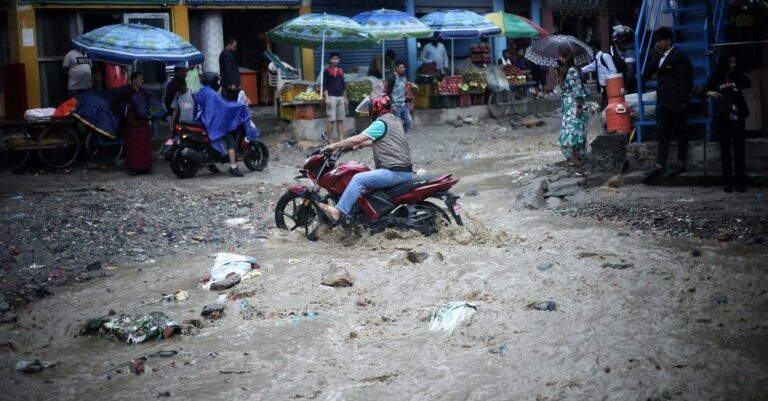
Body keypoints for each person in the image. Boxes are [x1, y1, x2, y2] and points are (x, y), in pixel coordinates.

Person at [317, 95, 412, 224]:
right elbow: (385, 141)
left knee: (358, 178)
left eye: (370, 107)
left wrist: (334, 145)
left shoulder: (380, 123)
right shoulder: (394, 121)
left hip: (395, 172)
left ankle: (338, 212)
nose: (368, 111)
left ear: (376, 107)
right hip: (402, 171)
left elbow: (358, 138)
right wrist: (363, 145)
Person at [641, 27, 694, 182]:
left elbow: (686, 80)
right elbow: (648, 73)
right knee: (662, 133)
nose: (657, 44)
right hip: (663, 101)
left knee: (681, 132)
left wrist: (682, 100)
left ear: (668, 41)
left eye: (660, 41)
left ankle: (681, 162)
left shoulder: (679, 56)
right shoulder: (659, 57)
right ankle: (660, 165)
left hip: (676, 101)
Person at [194, 72, 259, 177]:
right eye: (217, 81)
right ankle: (233, 166)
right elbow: (223, 107)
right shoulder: (212, 94)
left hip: (202, 121)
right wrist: (239, 107)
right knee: (230, 140)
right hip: (212, 123)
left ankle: (212, 163)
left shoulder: (202, 92)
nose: (218, 84)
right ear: (213, 82)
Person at [704, 52, 751, 192]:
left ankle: (740, 182)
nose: (733, 65)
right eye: (730, 62)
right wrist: (711, 92)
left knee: (739, 150)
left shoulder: (738, 73)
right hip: (723, 116)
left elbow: (748, 83)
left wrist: (734, 84)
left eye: (734, 62)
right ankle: (727, 182)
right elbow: (702, 91)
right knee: (725, 151)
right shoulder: (717, 75)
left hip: (737, 115)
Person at [113, 72, 152, 175]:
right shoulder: (127, 91)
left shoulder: (143, 91)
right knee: (134, 145)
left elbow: (147, 103)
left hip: (142, 120)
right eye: (140, 79)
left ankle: (145, 167)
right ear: (134, 80)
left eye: (142, 79)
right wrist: (125, 111)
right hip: (133, 121)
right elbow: (115, 102)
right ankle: (134, 167)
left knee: (145, 144)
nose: (142, 81)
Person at [557, 45, 590, 166]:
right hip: (568, 107)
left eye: (559, 56)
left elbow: (577, 89)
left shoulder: (572, 71)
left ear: (564, 57)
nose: (558, 59)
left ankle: (576, 157)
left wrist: (579, 106)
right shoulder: (563, 70)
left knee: (574, 132)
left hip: (575, 106)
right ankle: (572, 157)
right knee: (568, 132)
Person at [581, 39, 617, 111]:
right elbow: (591, 67)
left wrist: (610, 84)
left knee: (606, 106)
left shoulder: (605, 56)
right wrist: (580, 70)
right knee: (604, 106)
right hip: (604, 87)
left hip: (609, 86)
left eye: (590, 49)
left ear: (594, 48)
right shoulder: (597, 60)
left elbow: (613, 70)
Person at [323, 53, 348, 142]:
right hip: (331, 97)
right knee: (331, 120)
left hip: (340, 97)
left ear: (339, 60)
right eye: (333, 58)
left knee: (340, 119)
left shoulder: (341, 70)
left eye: (336, 58)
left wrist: (345, 98)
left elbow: (343, 85)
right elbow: (324, 85)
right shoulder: (327, 70)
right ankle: (329, 139)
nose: (335, 60)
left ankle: (341, 138)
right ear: (330, 60)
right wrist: (327, 98)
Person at [385, 60, 413, 133]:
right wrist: (392, 104)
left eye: (404, 68)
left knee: (408, 121)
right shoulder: (392, 77)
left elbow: (405, 91)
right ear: (396, 68)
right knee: (397, 125)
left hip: (403, 105)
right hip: (396, 106)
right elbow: (388, 92)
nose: (403, 69)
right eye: (401, 68)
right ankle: (397, 138)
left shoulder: (404, 77)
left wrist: (408, 102)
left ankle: (401, 136)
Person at [219, 37, 240, 101]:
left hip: (230, 85)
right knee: (232, 102)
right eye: (234, 46)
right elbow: (228, 70)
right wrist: (232, 83)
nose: (235, 48)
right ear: (229, 45)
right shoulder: (226, 54)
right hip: (229, 86)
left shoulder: (227, 54)